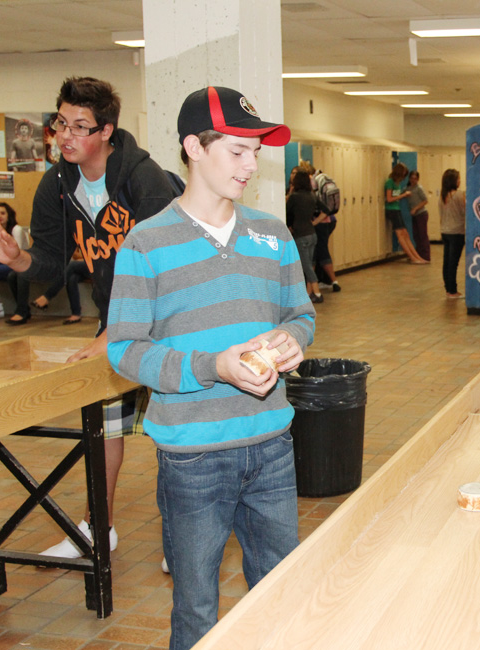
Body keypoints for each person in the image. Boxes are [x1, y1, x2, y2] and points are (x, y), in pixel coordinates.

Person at [107, 86, 315, 650]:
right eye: (236, 151)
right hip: (192, 456)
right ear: (192, 148)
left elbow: (300, 313)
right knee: (197, 606)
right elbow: (124, 349)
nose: (251, 165)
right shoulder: (145, 245)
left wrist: (292, 341)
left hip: (272, 444)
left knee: (280, 589)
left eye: (255, 152)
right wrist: (213, 366)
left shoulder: (272, 234)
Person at [0, 77, 179, 559]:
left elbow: (167, 266)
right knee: (105, 427)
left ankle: (182, 537)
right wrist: (19, 261)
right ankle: (99, 529)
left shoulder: (142, 176)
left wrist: (115, 331)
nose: (66, 135)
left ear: (106, 131)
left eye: (80, 126)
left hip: (171, 321)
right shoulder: (58, 184)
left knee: (171, 430)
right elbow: (52, 265)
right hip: (115, 319)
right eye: (61, 123)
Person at [285, 169, 325, 303]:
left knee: (306, 266)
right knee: (309, 264)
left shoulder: (294, 197)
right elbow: (327, 209)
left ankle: (318, 293)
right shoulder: (312, 195)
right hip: (312, 234)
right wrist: (315, 222)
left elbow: (287, 213)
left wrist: (290, 226)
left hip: (300, 235)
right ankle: (308, 294)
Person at [30, 251, 91, 324]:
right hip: (87, 266)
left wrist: (83, 258)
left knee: (72, 265)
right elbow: (75, 255)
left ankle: (47, 296)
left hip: (101, 268)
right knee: (72, 278)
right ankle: (76, 313)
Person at [384, 163, 427, 264]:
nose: (403, 177)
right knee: (400, 234)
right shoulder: (390, 182)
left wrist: (404, 194)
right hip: (392, 210)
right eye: (403, 174)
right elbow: (389, 199)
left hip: (396, 209)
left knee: (406, 234)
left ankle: (417, 257)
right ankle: (413, 258)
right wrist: (403, 195)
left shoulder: (397, 184)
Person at [0, 203, 32, 322]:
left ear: (9, 215)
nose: (0, 216)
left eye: (3, 213)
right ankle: (23, 309)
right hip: (3, 262)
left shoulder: (16, 230)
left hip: (20, 262)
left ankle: (22, 310)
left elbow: (16, 254)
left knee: (13, 275)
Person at [312, 169, 341, 292]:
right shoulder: (325, 180)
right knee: (320, 250)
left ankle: (331, 281)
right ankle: (323, 280)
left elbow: (324, 208)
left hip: (321, 223)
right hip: (330, 221)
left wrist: (314, 222)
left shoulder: (313, 183)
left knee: (320, 251)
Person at [440, 168, 465, 298]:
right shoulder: (460, 195)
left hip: (445, 231)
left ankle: (448, 289)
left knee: (447, 262)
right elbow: (465, 212)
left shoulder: (442, 196)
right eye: (458, 178)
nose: (460, 181)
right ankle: (453, 291)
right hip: (457, 232)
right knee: (453, 263)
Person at [406, 170, 431, 262]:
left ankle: (426, 256)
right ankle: (418, 255)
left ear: (418, 179)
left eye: (415, 178)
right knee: (416, 235)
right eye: (412, 178)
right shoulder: (408, 188)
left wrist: (415, 208)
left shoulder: (419, 188)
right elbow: (400, 193)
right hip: (415, 215)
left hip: (421, 214)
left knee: (422, 235)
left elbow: (425, 200)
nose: (413, 180)